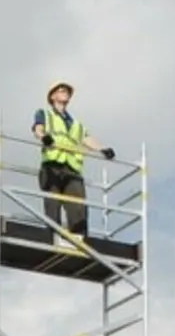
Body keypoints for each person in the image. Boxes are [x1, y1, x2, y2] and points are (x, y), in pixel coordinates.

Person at [32, 81, 115, 238]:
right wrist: (44, 137)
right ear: (52, 96)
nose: (65, 93)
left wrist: (102, 149)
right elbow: (38, 129)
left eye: (67, 91)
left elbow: (86, 138)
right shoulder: (44, 114)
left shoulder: (75, 124)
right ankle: (52, 239)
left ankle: (80, 242)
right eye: (61, 90)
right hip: (52, 165)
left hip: (72, 169)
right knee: (53, 207)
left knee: (78, 209)